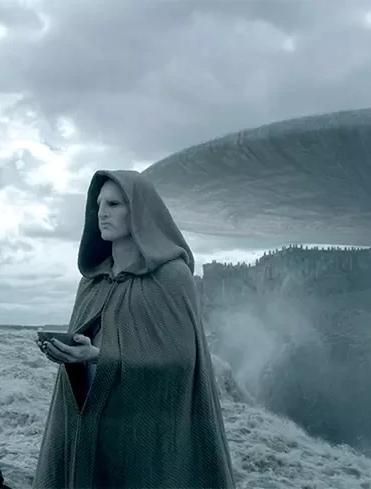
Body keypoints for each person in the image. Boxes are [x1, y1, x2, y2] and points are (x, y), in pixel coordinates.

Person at [33, 170, 237, 488]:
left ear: (140, 211)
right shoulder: (92, 282)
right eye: (99, 204)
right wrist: (68, 353)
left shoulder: (172, 276)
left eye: (114, 204)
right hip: (89, 422)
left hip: (142, 434)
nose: (102, 213)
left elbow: (181, 361)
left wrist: (100, 356)